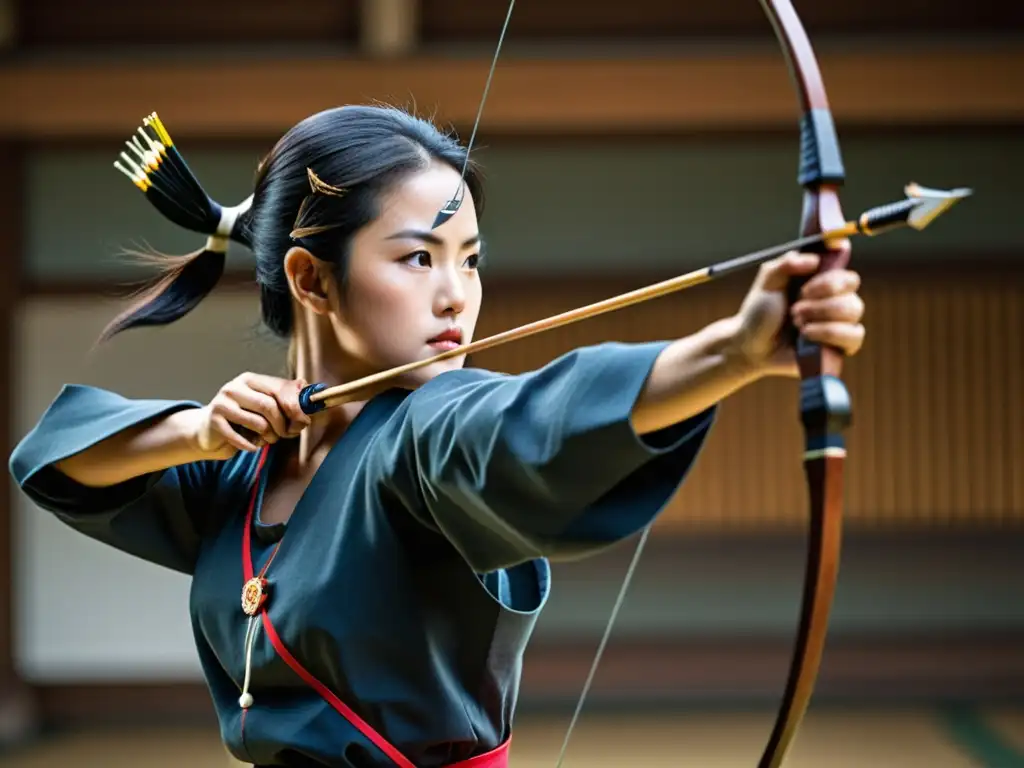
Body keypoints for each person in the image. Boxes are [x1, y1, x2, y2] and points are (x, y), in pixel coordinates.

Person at [8, 105, 866, 768]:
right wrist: (194, 431)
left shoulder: (426, 434)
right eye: (420, 258)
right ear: (311, 277)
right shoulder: (239, 471)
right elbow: (53, 460)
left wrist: (738, 349)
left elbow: (533, 423)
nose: (458, 294)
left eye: (471, 259)